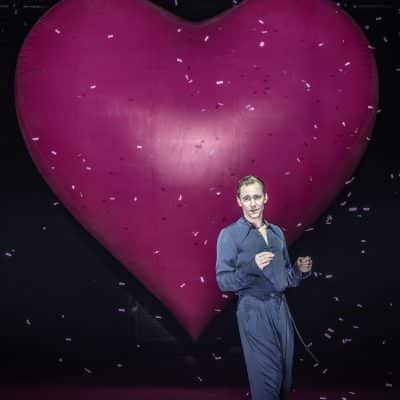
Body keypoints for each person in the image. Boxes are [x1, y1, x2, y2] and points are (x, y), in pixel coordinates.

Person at [215, 175, 313, 400]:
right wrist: (252, 267)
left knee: (284, 381)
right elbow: (223, 281)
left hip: (280, 309)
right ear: (239, 201)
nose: (252, 204)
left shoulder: (277, 233)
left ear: (265, 198)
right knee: (268, 381)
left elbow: (285, 279)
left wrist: (298, 270)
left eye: (257, 197)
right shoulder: (230, 235)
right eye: (246, 198)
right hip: (253, 309)